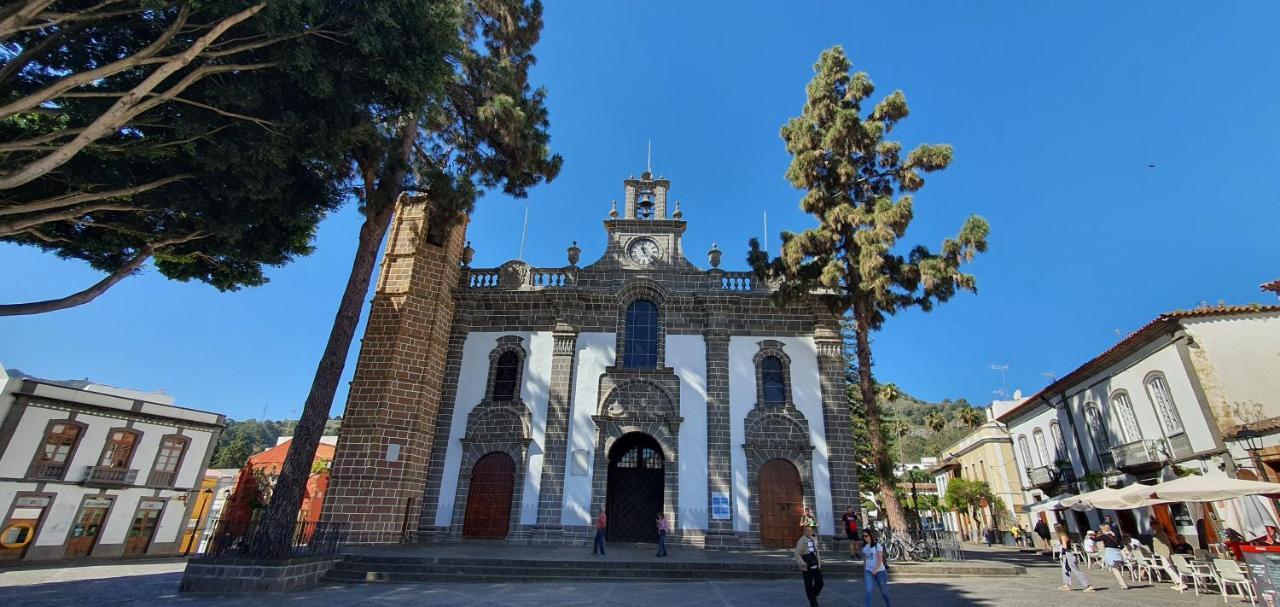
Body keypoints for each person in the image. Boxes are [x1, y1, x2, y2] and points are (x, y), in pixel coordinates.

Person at [1057, 524, 1096, 592]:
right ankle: (1067, 584)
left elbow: (1065, 546)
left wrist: (1060, 548)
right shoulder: (1065, 534)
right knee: (1066, 569)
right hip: (1068, 554)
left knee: (1075, 570)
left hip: (1067, 554)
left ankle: (1088, 585)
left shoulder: (1062, 535)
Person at [795, 525, 824, 607]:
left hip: (816, 565)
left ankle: (812, 596)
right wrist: (802, 563)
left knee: (820, 583)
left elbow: (816, 552)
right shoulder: (801, 541)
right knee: (808, 585)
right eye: (807, 531)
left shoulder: (813, 540)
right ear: (804, 532)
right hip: (807, 567)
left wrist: (819, 562)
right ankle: (813, 601)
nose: (809, 532)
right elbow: (797, 554)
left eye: (810, 530)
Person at [862, 529, 891, 607]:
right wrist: (865, 569)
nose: (865, 538)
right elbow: (865, 559)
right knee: (869, 591)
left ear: (870, 536)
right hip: (869, 571)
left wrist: (875, 569)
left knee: (884, 591)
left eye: (866, 536)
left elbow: (880, 559)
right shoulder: (865, 547)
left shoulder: (877, 546)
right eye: (863, 536)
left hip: (880, 571)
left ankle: (889, 605)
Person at [1098, 524, 1129, 590]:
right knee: (1116, 569)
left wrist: (1091, 537)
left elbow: (1097, 540)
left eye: (1101, 529)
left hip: (1111, 554)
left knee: (1115, 570)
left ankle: (1123, 585)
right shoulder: (1113, 535)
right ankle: (1122, 584)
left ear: (1103, 529)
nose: (1100, 530)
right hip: (1116, 553)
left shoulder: (1106, 536)